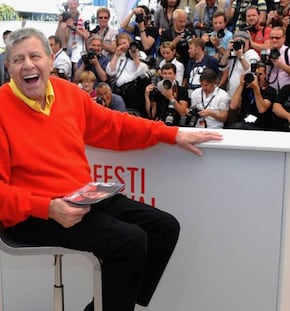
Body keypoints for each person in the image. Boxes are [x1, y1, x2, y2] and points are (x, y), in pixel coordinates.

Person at [0, 27, 222, 311]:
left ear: (50, 60)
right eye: (18, 60)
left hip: (79, 197)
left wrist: (171, 134)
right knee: (129, 242)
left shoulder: (69, 93)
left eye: (35, 56)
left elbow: (114, 126)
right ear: (8, 67)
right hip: (31, 214)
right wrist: (48, 208)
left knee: (164, 228)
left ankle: (111, 305)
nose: (28, 65)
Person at [106, 33, 149, 115]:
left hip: (134, 90)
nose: (123, 46)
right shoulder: (119, 56)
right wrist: (116, 55)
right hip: (119, 90)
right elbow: (110, 71)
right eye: (120, 44)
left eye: (125, 43)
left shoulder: (140, 54)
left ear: (129, 43)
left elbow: (143, 70)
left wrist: (135, 57)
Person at [227, 62, 276, 130]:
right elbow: (233, 106)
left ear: (265, 75)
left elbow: (262, 109)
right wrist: (241, 84)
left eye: (260, 74)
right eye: (255, 74)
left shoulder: (270, 90)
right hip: (244, 123)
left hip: (261, 126)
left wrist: (256, 88)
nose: (257, 77)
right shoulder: (246, 88)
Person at [218, 30, 260, 97]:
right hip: (231, 93)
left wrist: (240, 57)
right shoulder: (233, 53)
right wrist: (228, 50)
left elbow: (251, 71)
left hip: (245, 94)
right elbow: (222, 66)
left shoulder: (253, 54)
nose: (239, 44)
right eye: (236, 42)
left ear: (247, 41)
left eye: (241, 41)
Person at [265, 26, 290, 92]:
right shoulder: (267, 52)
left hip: (288, 91)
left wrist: (281, 65)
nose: (274, 40)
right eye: (272, 38)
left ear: (284, 38)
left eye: (277, 38)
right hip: (271, 90)